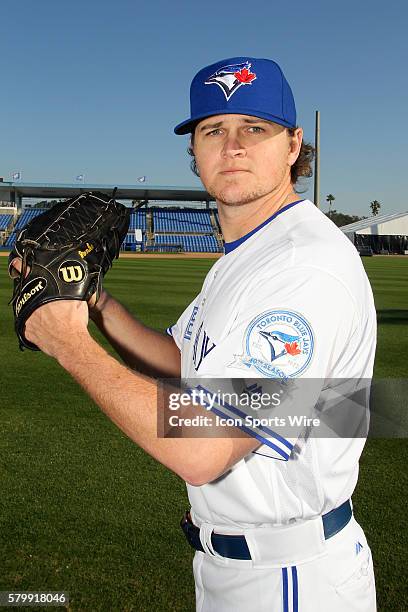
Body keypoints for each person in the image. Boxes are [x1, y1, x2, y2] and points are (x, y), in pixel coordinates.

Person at [18, 57, 377, 611]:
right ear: (195, 152)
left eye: (254, 128)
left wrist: (70, 343)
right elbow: (182, 358)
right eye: (214, 130)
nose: (232, 145)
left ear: (292, 146)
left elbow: (207, 447)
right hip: (239, 565)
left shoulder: (305, 266)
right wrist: (96, 303)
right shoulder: (248, 254)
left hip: (289, 579)